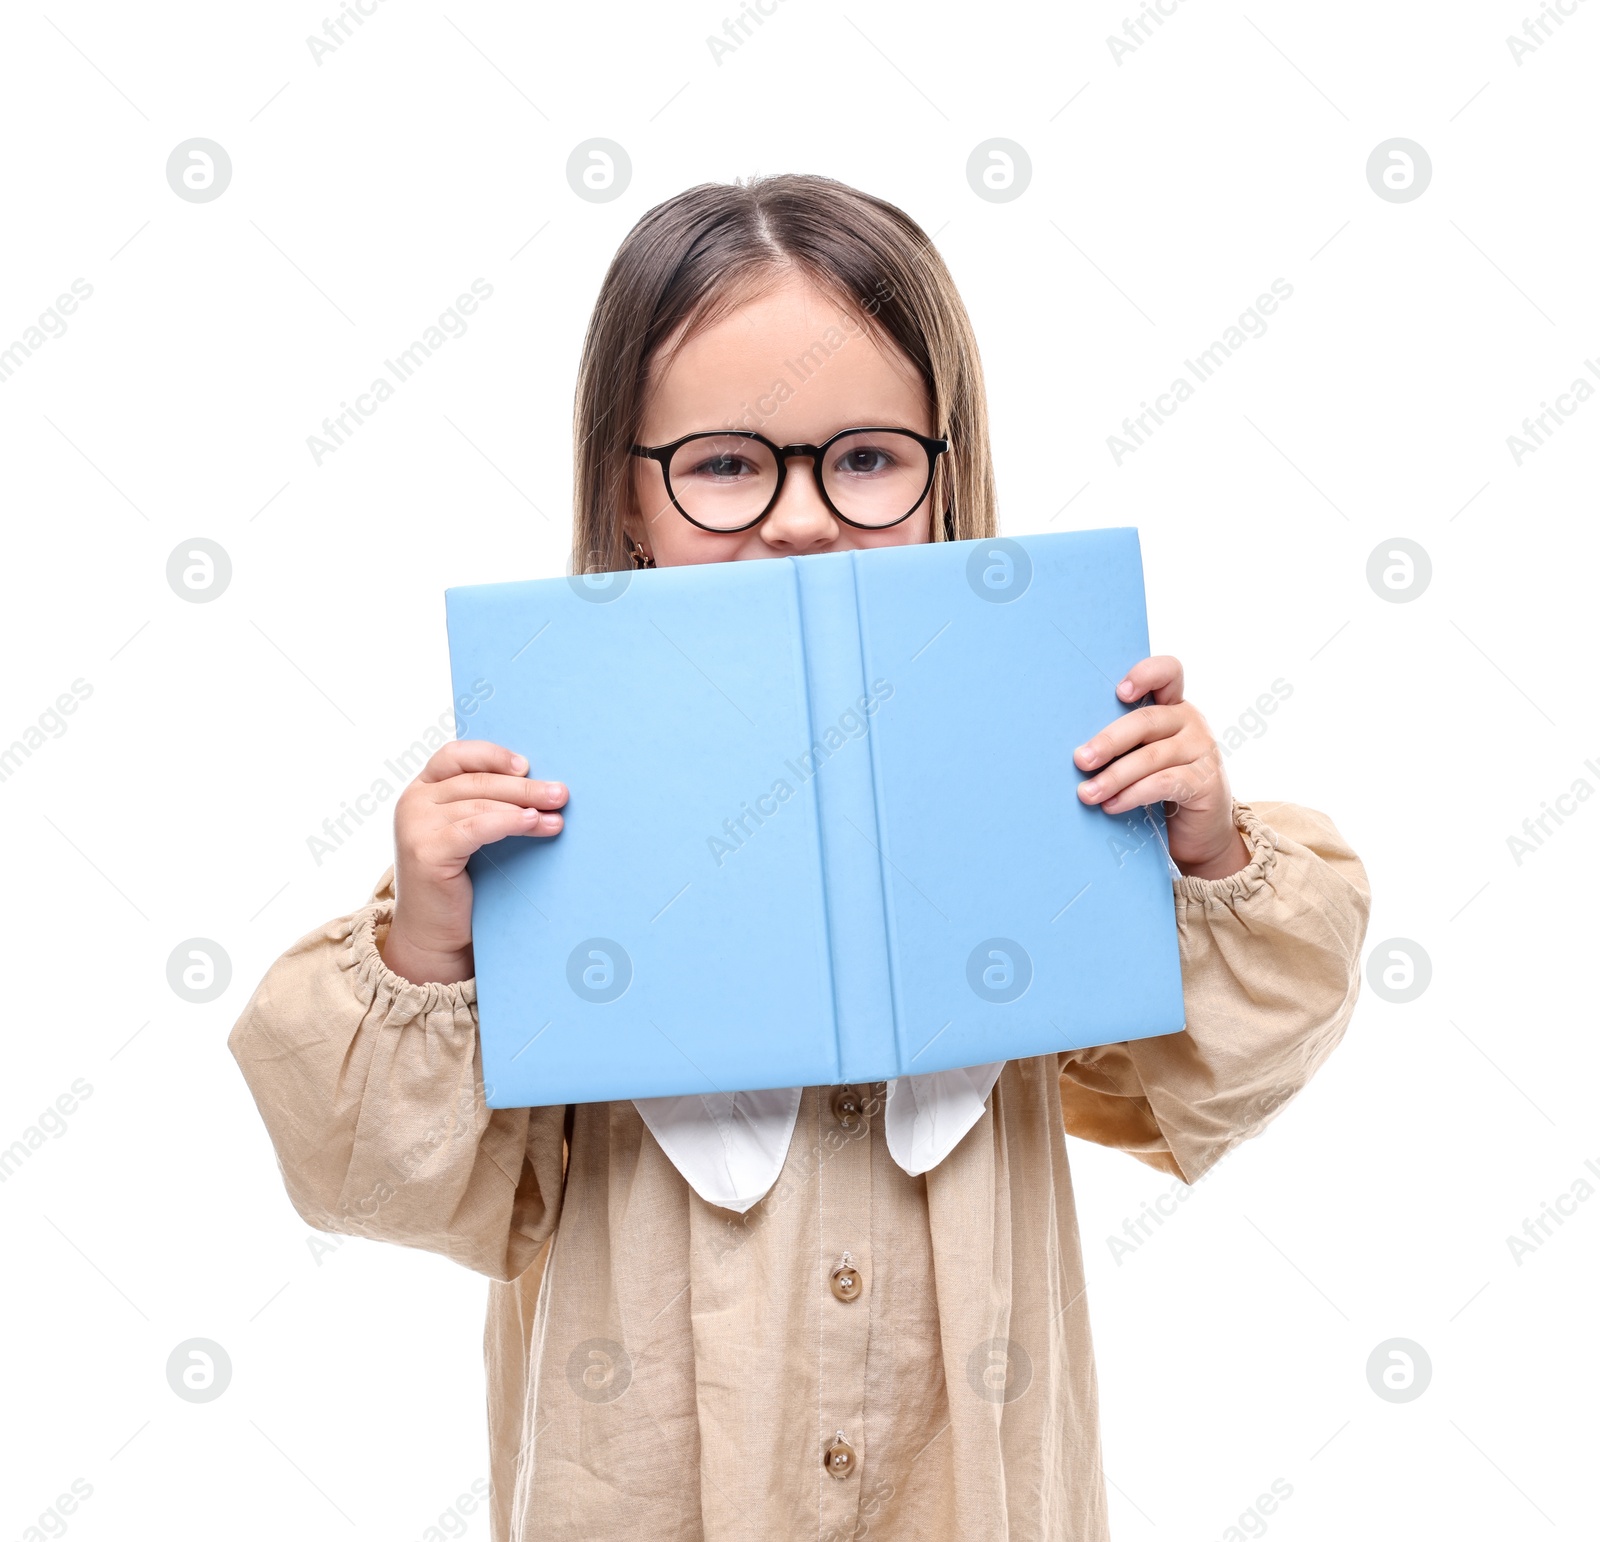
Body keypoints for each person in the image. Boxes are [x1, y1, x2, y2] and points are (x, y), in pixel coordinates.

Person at [227, 172, 1371, 1542]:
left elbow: (1199, 1081)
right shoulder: (546, 806)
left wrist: (1199, 853)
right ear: (625, 493)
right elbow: (379, 1178)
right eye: (724, 464)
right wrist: (431, 935)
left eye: (867, 457)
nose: (802, 517)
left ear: (947, 476)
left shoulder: (1036, 746)